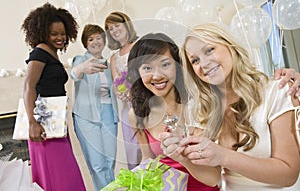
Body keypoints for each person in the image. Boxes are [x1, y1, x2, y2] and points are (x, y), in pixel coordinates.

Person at [160, 23, 300, 191]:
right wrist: (182, 157)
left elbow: (288, 175)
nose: (203, 63)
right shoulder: (201, 110)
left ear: (230, 46)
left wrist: (223, 155)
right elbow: (213, 178)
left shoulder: (275, 91)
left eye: (209, 50)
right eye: (195, 60)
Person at [127, 32, 221, 190]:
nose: (157, 76)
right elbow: (148, 157)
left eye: (165, 64)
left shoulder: (200, 104)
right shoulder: (137, 114)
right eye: (147, 68)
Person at [21, 3, 86, 191]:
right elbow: (28, 86)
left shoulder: (52, 53)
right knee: (61, 171)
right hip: (43, 122)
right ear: (42, 33)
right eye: (54, 34)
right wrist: (33, 122)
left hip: (55, 119)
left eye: (63, 33)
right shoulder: (39, 52)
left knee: (64, 169)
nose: (60, 38)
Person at [70, 24, 119, 190]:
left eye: (99, 37)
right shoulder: (81, 60)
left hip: (109, 115)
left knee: (110, 160)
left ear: (104, 41)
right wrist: (82, 68)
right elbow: (74, 74)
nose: (95, 42)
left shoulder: (109, 63)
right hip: (86, 116)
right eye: (91, 39)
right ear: (86, 43)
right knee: (97, 164)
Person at [104, 11, 141, 169]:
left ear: (126, 25)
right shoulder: (113, 57)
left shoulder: (140, 45)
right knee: (133, 151)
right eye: (110, 29)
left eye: (117, 25)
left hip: (147, 104)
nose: (114, 30)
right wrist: (122, 92)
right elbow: (116, 83)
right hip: (128, 109)